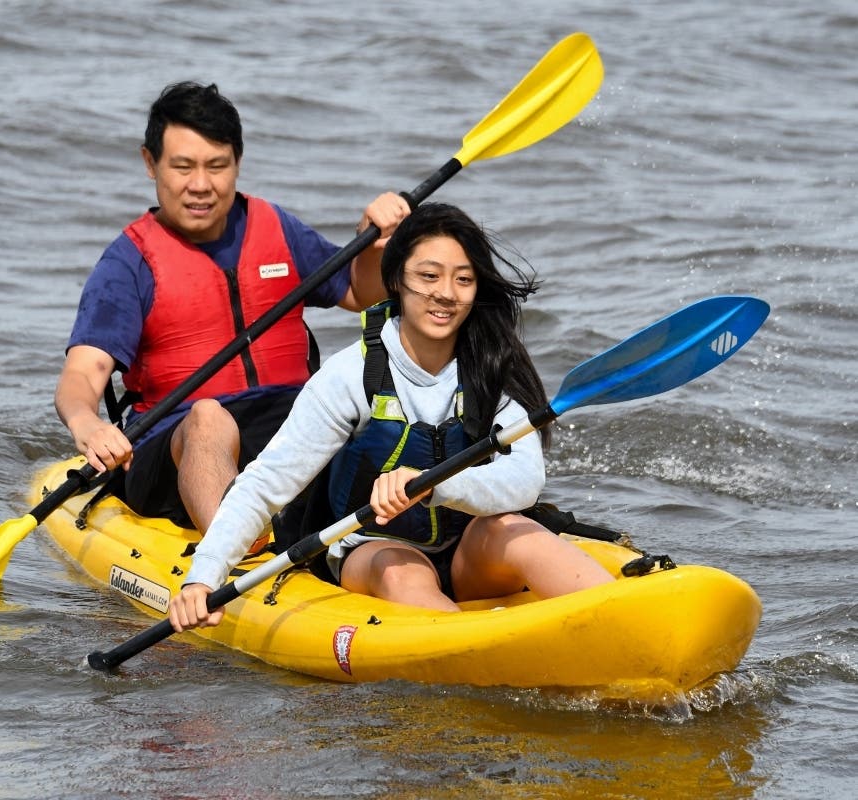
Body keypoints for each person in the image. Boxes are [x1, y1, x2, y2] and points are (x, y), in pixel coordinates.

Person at [168, 202, 615, 631]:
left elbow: (525, 479)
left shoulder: (492, 367)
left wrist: (435, 485)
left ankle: (622, 621)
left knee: (520, 530)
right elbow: (266, 485)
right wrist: (203, 576)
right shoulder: (352, 376)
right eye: (428, 276)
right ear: (397, 279)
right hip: (373, 551)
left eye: (463, 279)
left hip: (468, 551)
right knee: (401, 573)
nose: (446, 293)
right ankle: (473, 657)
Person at [54, 81, 410, 540]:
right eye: (182, 167)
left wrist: (375, 241)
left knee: (370, 411)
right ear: (150, 163)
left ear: (237, 163)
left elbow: (360, 294)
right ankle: (237, 547)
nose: (200, 185)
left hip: (287, 427)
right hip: (177, 448)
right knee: (206, 418)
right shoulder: (129, 263)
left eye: (216, 166)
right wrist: (88, 425)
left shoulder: (276, 227)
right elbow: (83, 374)